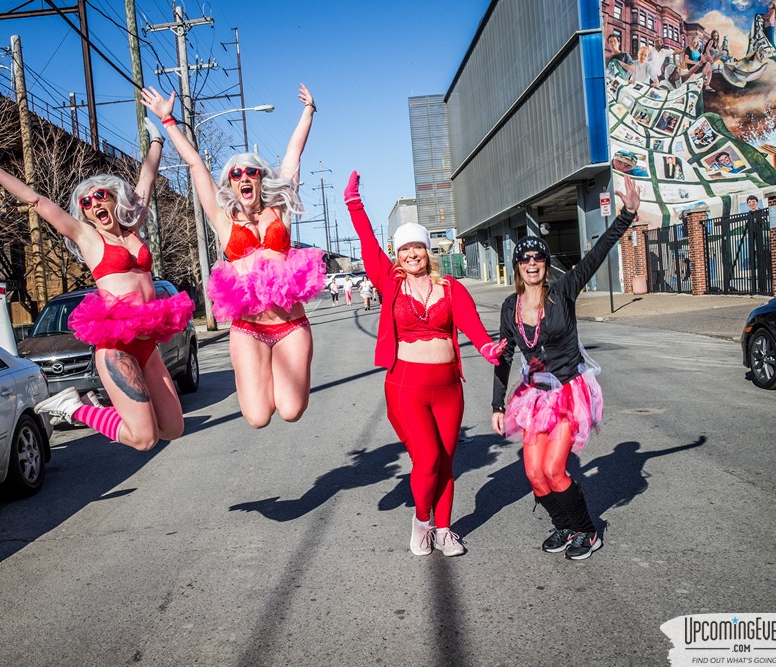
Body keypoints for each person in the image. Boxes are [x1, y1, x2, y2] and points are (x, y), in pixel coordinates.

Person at [0, 122, 193, 451]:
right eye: (86, 203)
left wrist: (158, 136)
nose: (93, 204)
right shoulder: (87, 236)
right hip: (117, 346)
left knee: (173, 428)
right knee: (144, 439)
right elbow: (37, 201)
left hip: (147, 343)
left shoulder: (134, 226)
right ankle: (75, 408)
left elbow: (147, 176)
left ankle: (86, 406)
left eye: (99, 196)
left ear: (114, 196)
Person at [141, 84, 323, 428]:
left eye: (250, 171)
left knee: (291, 410)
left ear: (260, 178)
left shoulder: (279, 208)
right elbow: (195, 164)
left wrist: (309, 111)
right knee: (257, 418)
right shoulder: (224, 220)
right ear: (229, 183)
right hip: (248, 329)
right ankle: (263, 370)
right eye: (236, 173)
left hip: (290, 325)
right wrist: (168, 122)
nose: (243, 177)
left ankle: (279, 373)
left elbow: (293, 156)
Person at [345, 171, 507, 557]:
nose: (412, 255)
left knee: (447, 460)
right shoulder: (390, 284)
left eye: (417, 247)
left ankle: (445, 528)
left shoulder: (450, 287)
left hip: (449, 386)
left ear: (427, 251)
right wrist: (355, 201)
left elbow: (472, 326)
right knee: (428, 457)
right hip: (407, 386)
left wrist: (487, 350)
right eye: (404, 250)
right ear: (397, 255)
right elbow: (368, 244)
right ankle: (422, 521)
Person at [490, 174, 642, 561]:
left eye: (538, 257)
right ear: (516, 266)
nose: (532, 264)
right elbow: (505, 355)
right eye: (524, 259)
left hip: (568, 391)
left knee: (555, 470)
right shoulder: (510, 307)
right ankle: (563, 526)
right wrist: (496, 405)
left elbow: (597, 253)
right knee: (534, 474)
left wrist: (626, 214)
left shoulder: (563, 290)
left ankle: (587, 531)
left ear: (546, 263)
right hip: (533, 396)